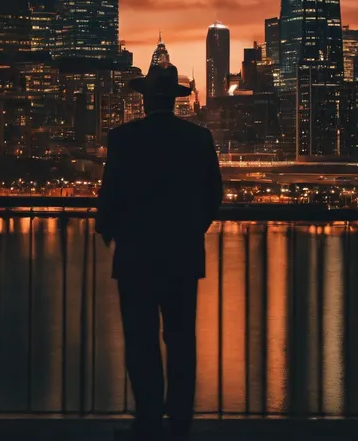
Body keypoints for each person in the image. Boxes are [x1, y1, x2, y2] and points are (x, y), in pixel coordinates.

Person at [96, 62, 223, 440]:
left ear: (145, 99)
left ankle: (148, 418)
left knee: (141, 338)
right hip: (182, 255)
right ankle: (180, 419)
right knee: (182, 338)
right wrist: (192, 229)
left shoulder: (122, 137)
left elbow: (111, 193)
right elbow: (213, 194)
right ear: (175, 100)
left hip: (135, 255)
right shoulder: (199, 138)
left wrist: (111, 230)